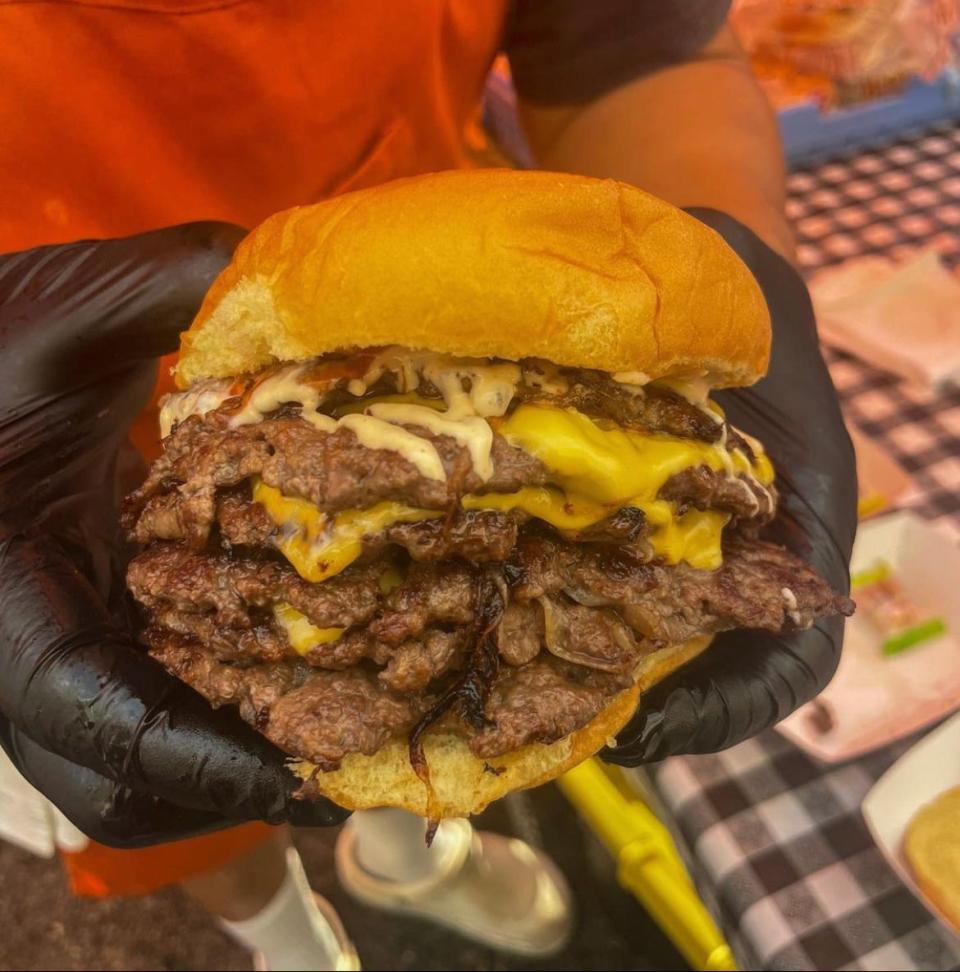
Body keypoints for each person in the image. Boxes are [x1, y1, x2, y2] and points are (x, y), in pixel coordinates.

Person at [0, 2, 856, 970]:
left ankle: (407, 858)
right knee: (161, 791)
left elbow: (632, 48)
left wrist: (723, 254)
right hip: (73, 446)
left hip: (481, 280)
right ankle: (287, 940)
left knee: (429, 676)